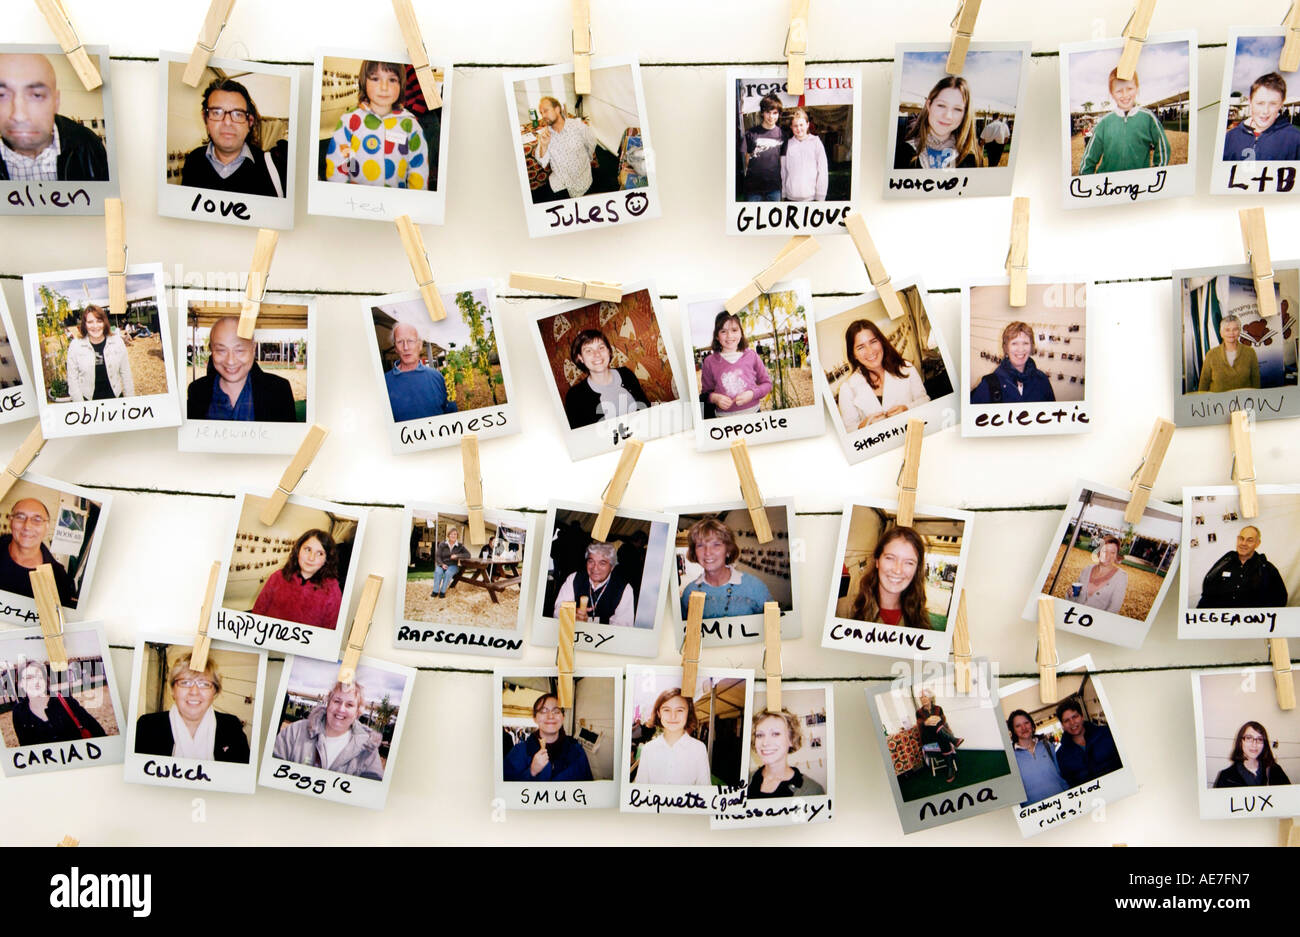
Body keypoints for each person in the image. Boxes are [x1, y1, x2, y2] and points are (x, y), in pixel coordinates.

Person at [0, 53, 108, 182]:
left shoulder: (88, 146)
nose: (19, 116)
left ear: (56, 102)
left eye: (36, 95)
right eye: (1, 95)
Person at [323, 60, 427, 189]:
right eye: (375, 78)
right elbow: (337, 164)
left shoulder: (410, 125)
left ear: (401, 84)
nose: (384, 87)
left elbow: (419, 170)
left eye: (392, 80)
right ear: (364, 81)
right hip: (355, 201)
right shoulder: (350, 121)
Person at [181, 77, 288, 197]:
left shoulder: (274, 167)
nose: (227, 122)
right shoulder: (193, 161)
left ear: (250, 122)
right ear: (205, 118)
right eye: (217, 112)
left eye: (238, 114)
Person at [133, 654, 249, 763]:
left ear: (215, 692)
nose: (194, 692)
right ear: (173, 690)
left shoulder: (231, 727)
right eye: (185, 683)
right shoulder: (147, 726)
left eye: (204, 684)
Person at [186, 316, 297, 422]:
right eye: (221, 350)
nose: (230, 361)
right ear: (211, 350)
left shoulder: (278, 391)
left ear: (253, 349)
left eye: (239, 350)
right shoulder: (197, 391)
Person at [272, 680, 385, 779]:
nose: (341, 709)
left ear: (357, 712)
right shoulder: (295, 732)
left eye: (349, 705)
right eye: (337, 701)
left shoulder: (367, 749)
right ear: (328, 704)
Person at [836, 319, 929, 430]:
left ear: (881, 342)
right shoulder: (847, 389)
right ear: (853, 354)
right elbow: (849, 430)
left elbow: (925, 401)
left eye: (873, 341)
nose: (870, 351)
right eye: (860, 347)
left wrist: (907, 408)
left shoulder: (906, 368)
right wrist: (865, 425)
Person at [1079, 68, 1170, 174]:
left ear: (1137, 89)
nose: (1125, 95)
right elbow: (1089, 158)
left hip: (1137, 185)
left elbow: (1163, 147)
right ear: (1112, 93)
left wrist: (1155, 175)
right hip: (1109, 186)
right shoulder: (1104, 123)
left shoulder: (1148, 118)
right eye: (1119, 91)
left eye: (1129, 88)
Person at [679, 517, 773, 618]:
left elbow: (775, 627)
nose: (707, 552)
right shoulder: (689, 592)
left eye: (716, 545)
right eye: (700, 545)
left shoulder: (755, 587)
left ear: (728, 551)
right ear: (694, 552)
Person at [251, 529, 343, 629]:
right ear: (298, 550)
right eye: (307, 549)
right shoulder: (278, 577)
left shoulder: (332, 591)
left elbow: (329, 631)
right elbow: (258, 611)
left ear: (327, 559)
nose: (311, 558)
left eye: (320, 553)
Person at [562, 329, 649, 430]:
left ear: (608, 350)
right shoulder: (574, 397)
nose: (597, 354)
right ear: (580, 357)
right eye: (589, 350)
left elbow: (646, 409)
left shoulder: (626, 374)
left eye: (601, 348)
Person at [849, 526, 931, 630]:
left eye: (909, 562)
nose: (897, 570)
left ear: (916, 569)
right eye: (890, 558)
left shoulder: (921, 621)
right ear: (877, 561)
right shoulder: (844, 609)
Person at [894, 76, 982, 170]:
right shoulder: (901, 153)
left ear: (965, 114)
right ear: (929, 105)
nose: (948, 115)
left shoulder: (972, 157)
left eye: (957, 109)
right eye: (941, 105)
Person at [11, 659, 105, 746]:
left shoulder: (65, 701)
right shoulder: (19, 713)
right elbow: (26, 747)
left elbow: (96, 730)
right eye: (29, 678)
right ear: (20, 684)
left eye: (39, 676)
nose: (36, 681)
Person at [502, 693, 593, 782]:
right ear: (535, 718)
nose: (550, 716)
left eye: (556, 711)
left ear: (563, 717)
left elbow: (588, 788)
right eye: (543, 711)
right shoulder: (519, 752)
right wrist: (532, 772)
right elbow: (506, 791)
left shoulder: (577, 750)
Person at [698, 311, 772, 417]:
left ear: (741, 333)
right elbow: (706, 394)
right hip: (723, 420)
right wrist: (714, 398)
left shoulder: (752, 355)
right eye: (723, 331)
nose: (729, 336)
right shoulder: (709, 362)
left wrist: (752, 394)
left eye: (734, 330)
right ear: (717, 336)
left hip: (754, 415)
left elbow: (767, 384)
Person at [0, 497, 73, 605]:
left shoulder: (59, 579)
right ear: (11, 521)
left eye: (37, 520)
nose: (27, 526)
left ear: (47, 527)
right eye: (20, 517)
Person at [1197, 525, 1289, 609]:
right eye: (1241, 538)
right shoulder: (1225, 562)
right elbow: (1208, 593)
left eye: (1250, 540)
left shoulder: (1266, 568)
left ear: (1257, 543)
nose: (1244, 543)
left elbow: (1280, 599)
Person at [634, 687, 711, 785]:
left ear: (688, 713)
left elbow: (704, 791)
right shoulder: (648, 749)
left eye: (679, 710)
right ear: (659, 713)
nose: (673, 716)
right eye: (666, 710)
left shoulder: (699, 749)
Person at [384, 321, 457, 423]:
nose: (406, 347)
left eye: (410, 340)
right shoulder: (384, 383)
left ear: (420, 344)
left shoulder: (437, 377)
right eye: (400, 341)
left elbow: (452, 415)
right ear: (395, 348)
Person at [970, 321, 1056, 404]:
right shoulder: (989, 384)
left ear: (1031, 347)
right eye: (1014, 343)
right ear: (1006, 348)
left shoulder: (1042, 380)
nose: (1020, 349)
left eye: (1025, 343)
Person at [747, 708, 825, 799]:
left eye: (775, 734)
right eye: (759, 735)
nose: (765, 743)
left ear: (791, 740)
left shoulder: (812, 791)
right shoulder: (745, 780)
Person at [553, 542, 635, 628]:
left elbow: (622, 627)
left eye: (602, 563)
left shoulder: (624, 588)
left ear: (612, 567)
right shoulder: (574, 578)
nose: (595, 568)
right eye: (591, 561)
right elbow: (558, 609)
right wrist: (571, 614)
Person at [1223, 72, 1300, 162]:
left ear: (1281, 104)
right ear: (1250, 101)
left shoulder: (1295, 140)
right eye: (1260, 103)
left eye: (1273, 104)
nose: (1265, 111)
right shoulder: (1230, 137)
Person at [534, 94, 596, 200]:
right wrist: (544, 146)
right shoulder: (546, 135)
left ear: (557, 109)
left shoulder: (578, 126)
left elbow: (591, 144)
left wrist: (587, 160)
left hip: (582, 179)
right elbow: (542, 162)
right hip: (560, 183)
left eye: (546, 110)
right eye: (541, 113)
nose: (543, 116)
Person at [66, 304, 133, 402]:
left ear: (104, 322)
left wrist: (130, 402)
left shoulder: (117, 342)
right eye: (90, 322)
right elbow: (72, 380)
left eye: (99, 321)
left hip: (115, 398)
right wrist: (81, 407)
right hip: (88, 402)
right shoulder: (75, 346)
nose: (95, 326)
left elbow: (126, 374)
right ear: (84, 325)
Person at [1053, 697, 1122, 787]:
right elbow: (1072, 784)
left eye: (1075, 717)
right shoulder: (1061, 755)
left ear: (1082, 717)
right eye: (1066, 720)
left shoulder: (1107, 733)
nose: (1072, 722)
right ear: (1062, 725)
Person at [1006, 708, 1068, 803]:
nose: (1024, 728)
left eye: (1026, 723)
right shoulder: (1010, 758)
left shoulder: (1047, 746)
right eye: (1018, 726)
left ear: (1031, 724)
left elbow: (1061, 776)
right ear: (1013, 730)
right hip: (1034, 812)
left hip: (1061, 804)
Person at [1213, 721, 1291, 787]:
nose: (1254, 744)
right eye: (1249, 738)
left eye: (1260, 739)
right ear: (1240, 742)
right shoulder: (1226, 777)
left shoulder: (1275, 770)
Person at [1197, 314, 1260, 394]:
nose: (1231, 333)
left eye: (1235, 329)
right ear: (1221, 333)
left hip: (1244, 402)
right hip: (1218, 404)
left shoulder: (1250, 352)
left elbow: (1256, 383)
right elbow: (1203, 384)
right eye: (1227, 330)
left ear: (1239, 331)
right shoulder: (1211, 354)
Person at [743, 93, 785, 201]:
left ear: (779, 114)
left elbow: (782, 161)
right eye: (768, 112)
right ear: (762, 113)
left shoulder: (782, 134)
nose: (771, 116)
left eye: (775, 113)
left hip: (774, 188)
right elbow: (747, 159)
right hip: (753, 189)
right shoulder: (751, 134)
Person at [1073, 535, 1129, 614]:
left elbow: (1114, 608)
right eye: (1105, 551)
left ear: (1116, 556)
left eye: (1112, 553)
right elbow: (1074, 597)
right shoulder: (1087, 570)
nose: (1108, 556)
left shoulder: (1120, 577)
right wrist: (1070, 594)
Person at [781, 107, 827, 201]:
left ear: (807, 125)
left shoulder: (816, 142)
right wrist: (783, 193)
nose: (799, 128)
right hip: (791, 197)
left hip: (811, 197)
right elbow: (783, 171)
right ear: (791, 127)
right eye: (795, 126)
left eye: (801, 125)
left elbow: (822, 171)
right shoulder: (787, 144)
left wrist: (820, 196)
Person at [916, 689, 962, 782]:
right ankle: (954, 740)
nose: (923, 699)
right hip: (928, 736)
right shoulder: (919, 712)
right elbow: (920, 723)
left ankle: (950, 768)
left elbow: (943, 720)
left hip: (940, 735)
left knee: (941, 734)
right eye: (921, 697)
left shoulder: (938, 708)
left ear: (930, 698)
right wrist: (926, 722)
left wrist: (938, 718)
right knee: (934, 725)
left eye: (925, 696)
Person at [430, 525, 470, 598]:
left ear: (457, 536)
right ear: (448, 535)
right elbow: (438, 556)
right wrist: (442, 564)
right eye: (451, 534)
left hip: (453, 565)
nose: (453, 535)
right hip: (442, 564)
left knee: (448, 573)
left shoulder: (460, 545)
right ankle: (435, 591)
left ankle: (442, 591)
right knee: (438, 572)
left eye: (455, 534)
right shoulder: (442, 544)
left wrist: (457, 556)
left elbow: (468, 555)